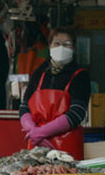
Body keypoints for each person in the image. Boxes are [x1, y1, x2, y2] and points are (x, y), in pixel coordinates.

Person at [19, 27, 91, 160]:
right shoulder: (39, 72)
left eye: (67, 44)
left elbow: (76, 113)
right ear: (50, 45)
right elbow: (24, 107)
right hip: (36, 144)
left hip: (66, 145)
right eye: (57, 43)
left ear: (73, 48)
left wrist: (42, 132)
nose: (61, 47)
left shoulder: (80, 75)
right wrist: (33, 130)